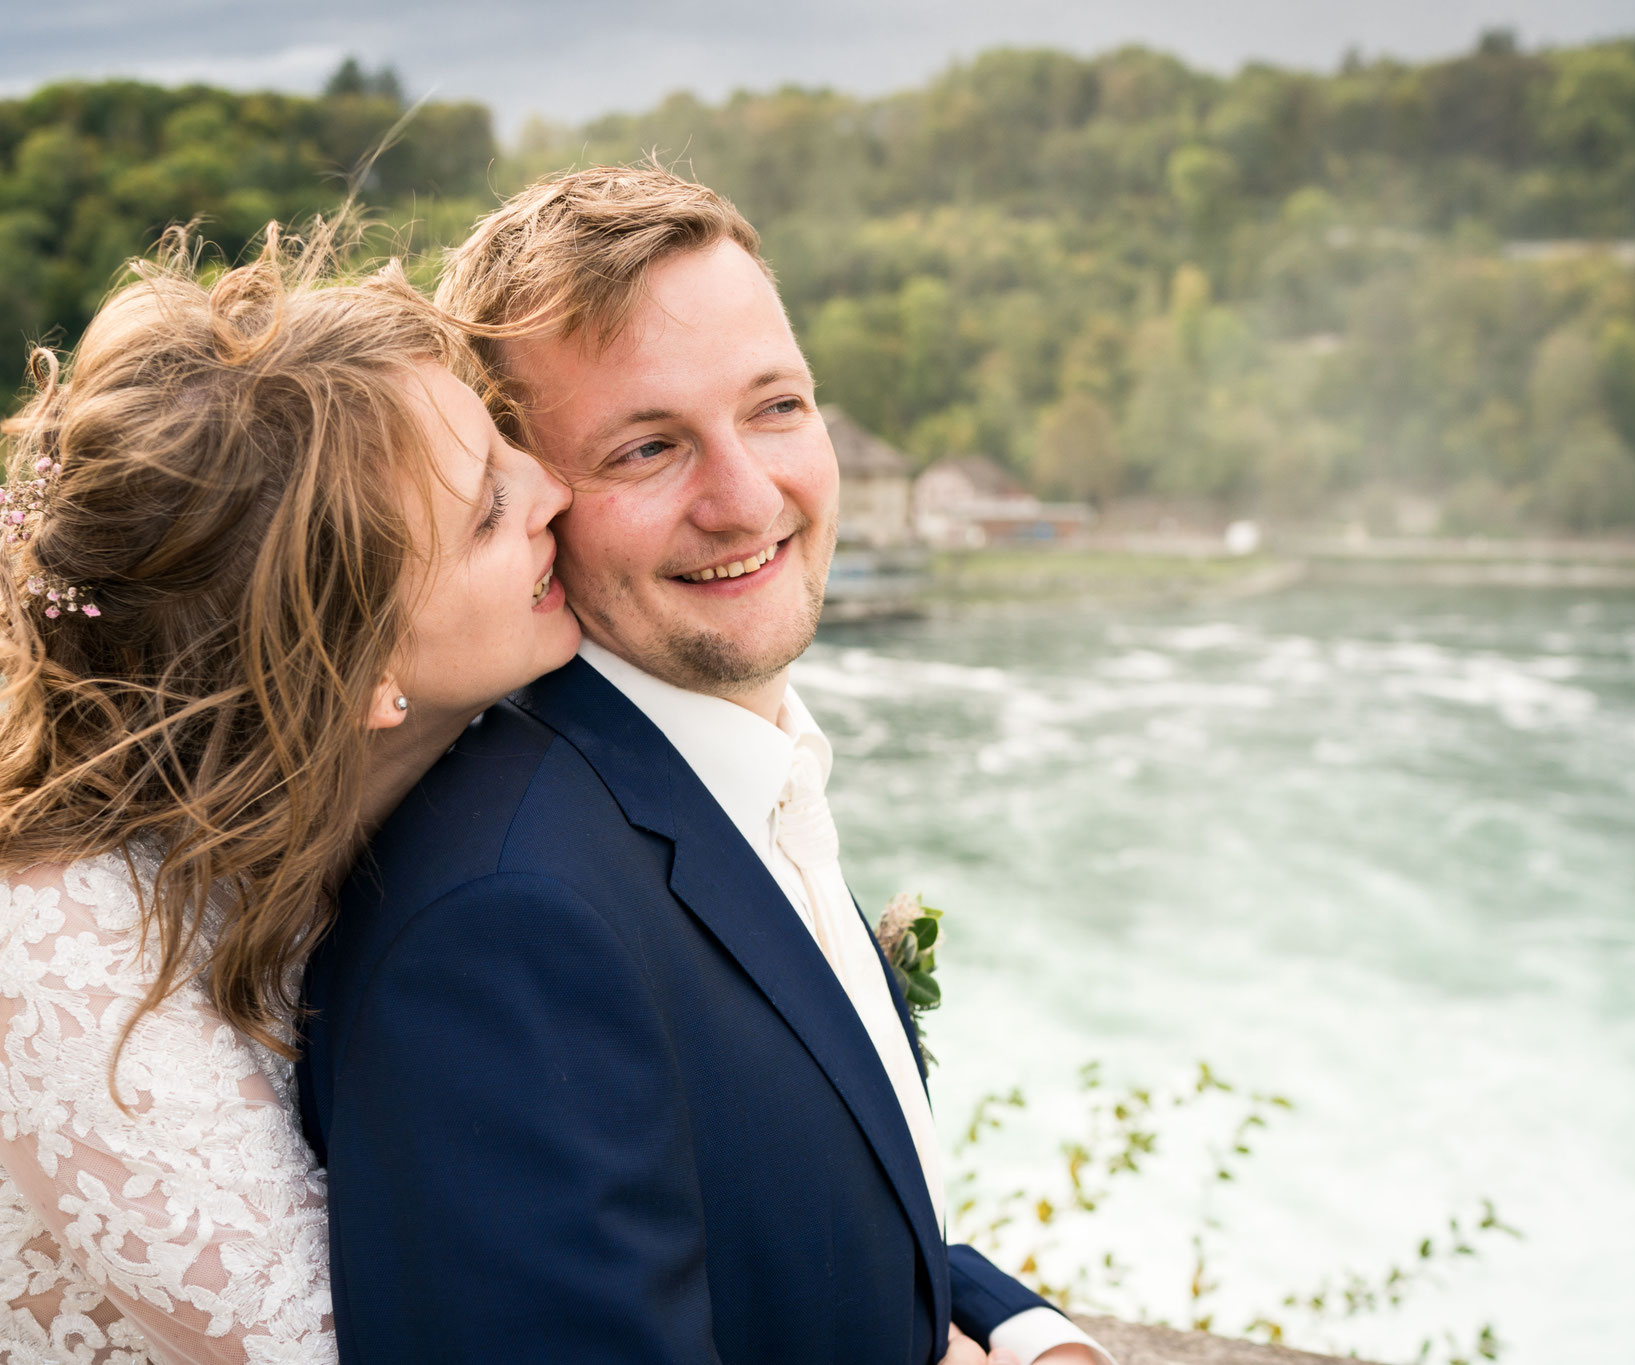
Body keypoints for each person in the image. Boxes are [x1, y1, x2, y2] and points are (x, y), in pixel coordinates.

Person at [296, 168, 1111, 1364]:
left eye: (775, 407)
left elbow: (819, 1207)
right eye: (645, 448)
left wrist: (1034, 1339)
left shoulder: (713, 773)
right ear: (525, 501)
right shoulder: (502, 925)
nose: (745, 500)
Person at [0, 222, 578, 1363]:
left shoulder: (423, 772)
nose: (552, 488)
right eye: (485, 510)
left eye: (504, 448)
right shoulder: (52, 935)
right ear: (355, 661)